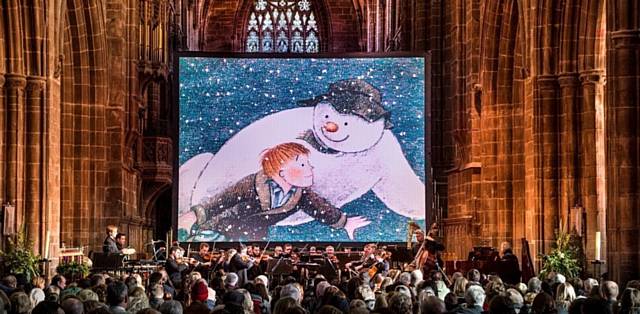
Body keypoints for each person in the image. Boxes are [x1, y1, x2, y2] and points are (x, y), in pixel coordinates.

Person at [190, 142, 370, 240]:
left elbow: (321, 208)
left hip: (252, 237)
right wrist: (194, 216)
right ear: (281, 171)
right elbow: (222, 200)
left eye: (308, 163)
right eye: (302, 164)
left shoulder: (301, 195)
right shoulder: (251, 184)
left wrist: (344, 222)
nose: (310, 168)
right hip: (218, 230)